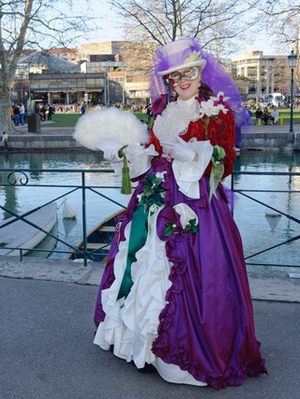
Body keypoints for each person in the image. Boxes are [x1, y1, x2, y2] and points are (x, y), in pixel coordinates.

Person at [93, 37, 266, 389]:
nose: (181, 81)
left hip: (197, 200)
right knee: (141, 259)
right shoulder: (163, 113)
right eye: (174, 77)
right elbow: (150, 156)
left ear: (199, 73)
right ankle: (141, 345)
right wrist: (124, 156)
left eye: (187, 73)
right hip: (155, 195)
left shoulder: (217, 112)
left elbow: (226, 161)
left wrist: (194, 155)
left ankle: (183, 351)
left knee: (193, 271)